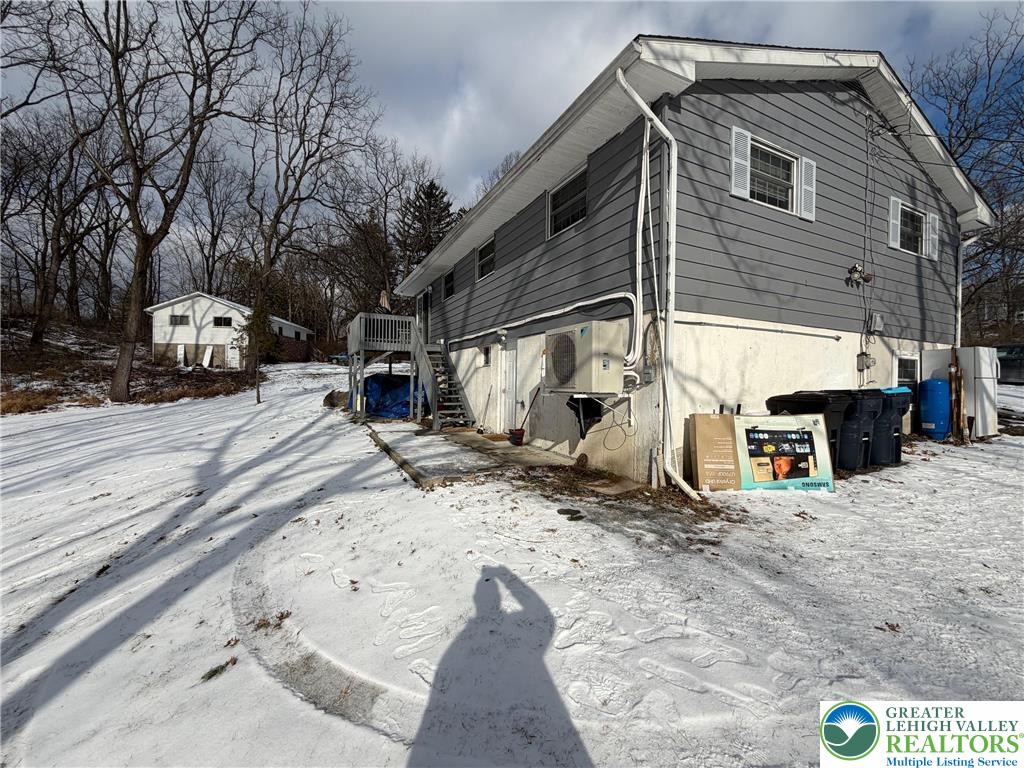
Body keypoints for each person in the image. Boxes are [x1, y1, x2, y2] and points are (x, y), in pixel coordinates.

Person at [407, 566, 592, 767]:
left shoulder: (462, 643)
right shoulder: (478, 638)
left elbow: (542, 617)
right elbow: (543, 615)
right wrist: (505, 576)